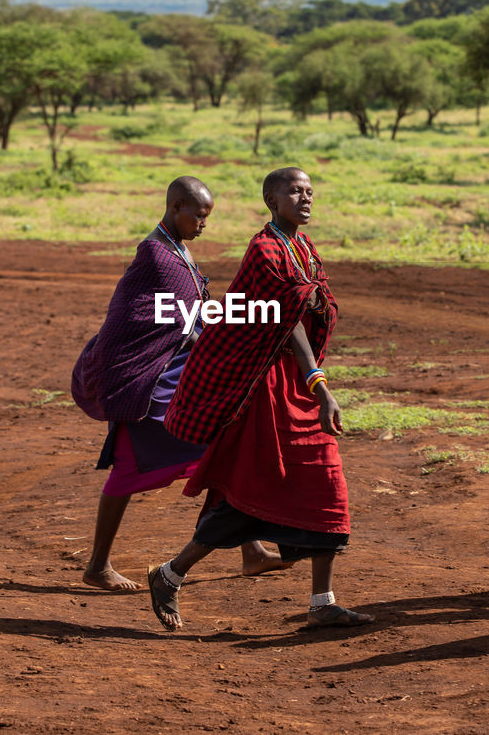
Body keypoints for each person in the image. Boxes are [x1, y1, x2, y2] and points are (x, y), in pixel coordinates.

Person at [146, 167, 373, 631]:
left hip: (293, 384)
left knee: (324, 480)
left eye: (310, 191)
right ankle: (171, 573)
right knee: (248, 487)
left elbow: (312, 306)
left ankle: (321, 602)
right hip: (264, 387)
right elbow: (285, 321)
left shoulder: (304, 249)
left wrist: (311, 314)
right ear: (272, 200)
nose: (306, 198)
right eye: (295, 191)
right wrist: (320, 385)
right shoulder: (265, 250)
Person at [70, 176, 288, 591]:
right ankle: (97, 566)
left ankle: (252, 550)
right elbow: (172, 318)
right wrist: (255, 319)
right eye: (199, 216)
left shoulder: (178, 251)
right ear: (176, 208)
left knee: (224, 451)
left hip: (171, 380)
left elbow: (194, 314)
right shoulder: (156, 255)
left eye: (208, 217)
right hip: (146, 385)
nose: (204, 224)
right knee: (129, 470)